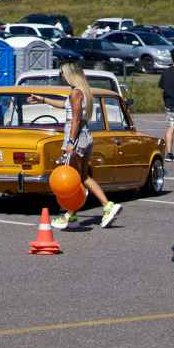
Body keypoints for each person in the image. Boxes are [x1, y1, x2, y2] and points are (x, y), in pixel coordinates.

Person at [27, 61, 123, 230]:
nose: (61, 76)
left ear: (69, 74)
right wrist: (42, 99)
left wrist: (70, 142)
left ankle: (93, 209)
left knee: (72, 178)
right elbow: (65, 106)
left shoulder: (76, 93)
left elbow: (76, 120)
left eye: (61, 73)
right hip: (84, 136)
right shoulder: (80, 92)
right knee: (82, 177)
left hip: (76, 138)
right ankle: (78, 213)